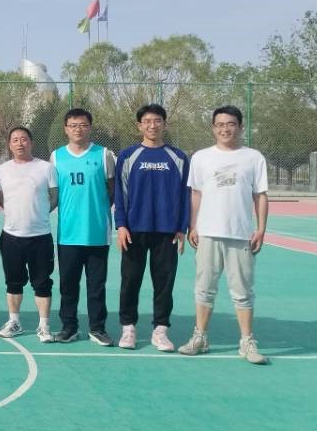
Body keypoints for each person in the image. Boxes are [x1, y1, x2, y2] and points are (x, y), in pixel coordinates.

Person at [180, 105, 270, 365]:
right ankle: (200, 337)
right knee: (204, 289)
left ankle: (247, 341)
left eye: (230, 124)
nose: (225, 129)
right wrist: (193, 225)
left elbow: (260, 195)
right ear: (213, 128)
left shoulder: (254, 158)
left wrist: (261, 229)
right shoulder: (201, 157)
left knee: (242, 291)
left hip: (240, 235)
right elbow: (196, 194)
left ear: (240, 127)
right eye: (220, 124)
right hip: (208, 233)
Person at [114, 104, 190, 352]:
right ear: (139, 125)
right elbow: (120, 193)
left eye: (157, 120)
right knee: (130, 281)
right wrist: (121, 225)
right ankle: (128, 328)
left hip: (167, 231)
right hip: (134, 230)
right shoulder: (128, 156)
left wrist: (182, 227)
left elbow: (185, 194)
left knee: (164, 283)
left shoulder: (178, 157)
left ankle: (161, 330)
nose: (152, 125)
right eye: (147, 121)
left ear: (164, 124)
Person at [51, 108, 116, 345]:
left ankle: (97, 328)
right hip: (68, 234)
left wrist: (97, 210)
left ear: (90, 127)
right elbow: (53, 193)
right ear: (66, 129)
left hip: (97, 233)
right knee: (68, 285)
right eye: (73, 125)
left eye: (83, 125)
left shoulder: (104, 154)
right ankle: (69, 327)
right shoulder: (56, 156)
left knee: (96, 286)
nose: (78, 129)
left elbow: (112, 190)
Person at [0, 126, 58, 343]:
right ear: (9, 145)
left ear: (31, 142)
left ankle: (44, 326)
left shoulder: (46, 168)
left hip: (40, 236)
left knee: (42, 282)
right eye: (15, 140)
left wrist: (39, 213)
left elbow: (54, 196)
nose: (19, 143)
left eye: (23, 139)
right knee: (13, 282)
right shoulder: (2, 170)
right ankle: (14, 322)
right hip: (11, 237)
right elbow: (0, 198)